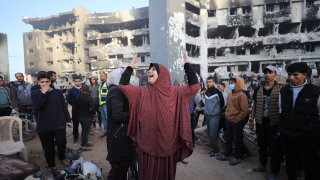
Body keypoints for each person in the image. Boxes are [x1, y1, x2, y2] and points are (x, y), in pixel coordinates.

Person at [119, 53, 199, 180]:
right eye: (148, 70)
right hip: (146, 147)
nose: (149, 72)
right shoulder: (141, 91)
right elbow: (123, 86)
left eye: (153, 69)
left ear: (163, 74)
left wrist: (187, 65)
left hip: (167, 147)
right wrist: (130, 67)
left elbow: (194, 87)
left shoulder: (176, 92)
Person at [279, 62, 320, 180]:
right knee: (290, 164)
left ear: (305, 75)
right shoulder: (284, 91)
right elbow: (281, 111)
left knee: (310, 166)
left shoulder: (315, 92)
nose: (291, 78)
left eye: (295, 75)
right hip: (288, 135)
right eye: (289, 74)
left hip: (307, 137)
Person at [31, 72, 72, 174]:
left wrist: (68, 120)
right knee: (48, 147)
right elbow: (36, 109)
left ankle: (62, 157)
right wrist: (43, 94)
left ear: (50, 82)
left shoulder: (57, 92)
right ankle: (51, 164)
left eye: (47, 81)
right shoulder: (35, 93)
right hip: (44, 125)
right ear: (38, 82)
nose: (44, 84)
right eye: (42, 82)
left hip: (58, 123)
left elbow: (64, 107)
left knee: (62, 143)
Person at [250, 65, 283, 180]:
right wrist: (252, 119)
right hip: (260, 122)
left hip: (273, 123)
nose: (267, 74)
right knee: (261, 146)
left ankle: (274, 171)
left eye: (270, 72)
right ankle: (262, 165)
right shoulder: (258, 88)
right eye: (266, 72)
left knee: (274, 148)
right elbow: (254, 105)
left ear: (275, 74)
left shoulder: (281, 89)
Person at [106, 68, 134, 180]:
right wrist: (133, 112)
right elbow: (118, 116)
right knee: (118, 170)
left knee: (122, 168)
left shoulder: (118, 90)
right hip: (118, 137)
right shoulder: (115, 91)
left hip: (120, 135)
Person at [216, 77, 248, 166]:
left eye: (233, 82)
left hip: (237, 121)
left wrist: (237, 119)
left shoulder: (242, 95)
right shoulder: (230, 95)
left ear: (238, 83)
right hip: (228, 120)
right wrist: (226, 115)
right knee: (228, 138)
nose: (230, 84)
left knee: (237, 140)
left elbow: (244, 111)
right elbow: (227, 107)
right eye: (230, 82)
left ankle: (237, 157)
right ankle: (227, 154)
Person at [204, 76, 224, 157]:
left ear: (214, 83)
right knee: (209, 134)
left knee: (213, 134)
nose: (208, 83)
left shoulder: (217, 92)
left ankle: (217, 151)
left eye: (210, 82)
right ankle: (213, 150)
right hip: (208, 116)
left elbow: (222, 103)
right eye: (207, 82)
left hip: (214, 116)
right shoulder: (206, 92)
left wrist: (216, 111)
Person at [75, 84, 95, 151]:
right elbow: (93, 108)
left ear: (81, 89)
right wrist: (93, 115)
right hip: (87, 117)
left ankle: (85, 143)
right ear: (88, 90)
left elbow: (75, 107)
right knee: (85, 131)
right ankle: (83, 146)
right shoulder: (89, 98)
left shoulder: (78, 97)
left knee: (84, 130)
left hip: (79, 117)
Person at [67, 77, 82, 143]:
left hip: (84, 110)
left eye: (79, 81)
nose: (77, 82)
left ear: (81, 81)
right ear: (74, 82)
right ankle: (75, 137)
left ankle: (84, 137)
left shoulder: (84, 88)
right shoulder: (71, 90)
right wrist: (74, 104)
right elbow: (69, 100)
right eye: (76, 81)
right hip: (75, 110)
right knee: (75, 124)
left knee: (84, 124)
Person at [98, 72, 108, 137]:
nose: (100, 77)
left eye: (101, 76)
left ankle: (110, 131)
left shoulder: (108, 83)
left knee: (108, 118)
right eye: (100, 76)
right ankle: (106, 130)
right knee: (103, 118)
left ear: (105, 77)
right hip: (101, 104)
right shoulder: (100, 84)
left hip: (106, 104)